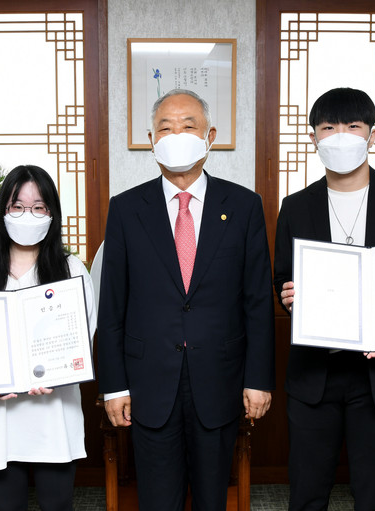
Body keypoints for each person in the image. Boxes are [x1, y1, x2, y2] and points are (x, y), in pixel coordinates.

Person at [97, 88, 275, 511]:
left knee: (213, 498)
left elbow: (256, 302)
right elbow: (112, 306)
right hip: (148, 383)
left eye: (188, 125)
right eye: (165, 127)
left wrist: (259, 378)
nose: (177, 134)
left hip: (219, 379)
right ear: (151, 138)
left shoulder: (245, 206)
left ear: (210, 135)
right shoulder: (125, 208)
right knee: (158, 500)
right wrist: (114, 386)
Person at [274, 87, 375, 511]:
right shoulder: (295, 206)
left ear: (372, 134)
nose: (340, 136)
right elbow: (282, 278)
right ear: (313, 138)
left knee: (373, 492)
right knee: (307, 492)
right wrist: (288, 294)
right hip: (315, 373)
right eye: (329, 127)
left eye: (352, 126)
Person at [0, 164, 95, 511]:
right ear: (3, 211)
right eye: (17, 206)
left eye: (38, 207)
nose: (28, 215)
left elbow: (87, 335)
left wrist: (59, 372)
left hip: (55, 416)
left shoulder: (71, 269)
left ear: (51, 214)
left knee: (58, 505)